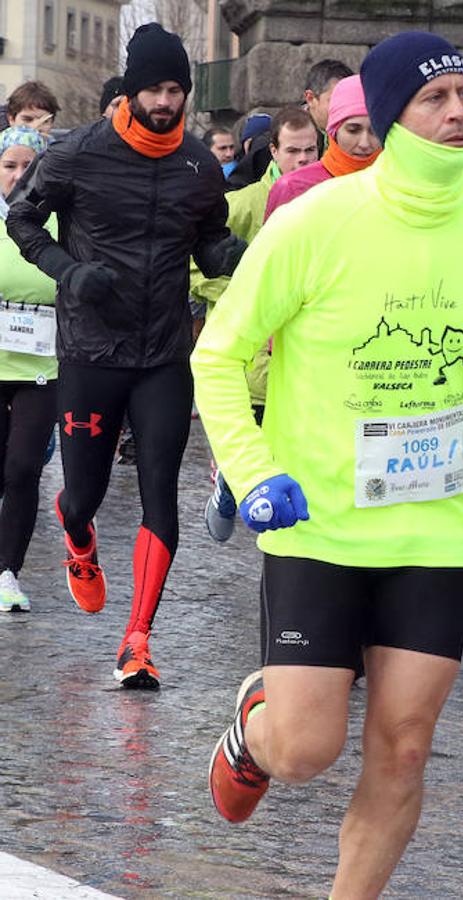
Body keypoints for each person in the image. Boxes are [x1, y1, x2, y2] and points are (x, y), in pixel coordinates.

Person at [194, 32, 463, 897]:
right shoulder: (314, 222)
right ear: (392, 114)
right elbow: (219, 356)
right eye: (435, 98)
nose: (459, 113)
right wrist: (253, 472)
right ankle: (256, 728)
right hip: (317, 523)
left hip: (434, 530)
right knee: (305, 750)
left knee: (403, 747)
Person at [6, 23, 245, 688]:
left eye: (176, 90)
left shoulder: (199, 165)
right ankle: (76, 533)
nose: (165, 102)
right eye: (154, 89)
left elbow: (208, 242)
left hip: (164, 354)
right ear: (133, 91)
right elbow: (21, 219)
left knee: (158, 492)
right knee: (82, 496)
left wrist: (234, 257)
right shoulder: (78, 153)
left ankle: (137, 640)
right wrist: (68, 271)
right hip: (91, 352)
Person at [194, 107, 320, 542]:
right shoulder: (244, 203)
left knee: (294, 461)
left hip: (306, 357)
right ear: (273, 151)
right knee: (255, 448)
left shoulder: (334, 200)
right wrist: (243, 296)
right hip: (253, 361)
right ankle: (230, 485)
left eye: (310, 150)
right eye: (293, 151)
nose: (302, 160)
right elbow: (192, 265)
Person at [0, 127, 58, 612]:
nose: (19, 176)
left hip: (42, 362)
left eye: (28, 167)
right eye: (9, 166)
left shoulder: (60, 220)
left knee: (23, 467)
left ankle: (8, 572)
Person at [264, 75, 380, 218]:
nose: (364, 143)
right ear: (334, 131)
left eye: (375, 131)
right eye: (353, 130)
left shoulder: (400, 183)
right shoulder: (293, 187)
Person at [302, 59, 354, 134]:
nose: (344, 109)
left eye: (349, 102)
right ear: (310, 99)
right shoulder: (291, 132)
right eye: (336, 102)